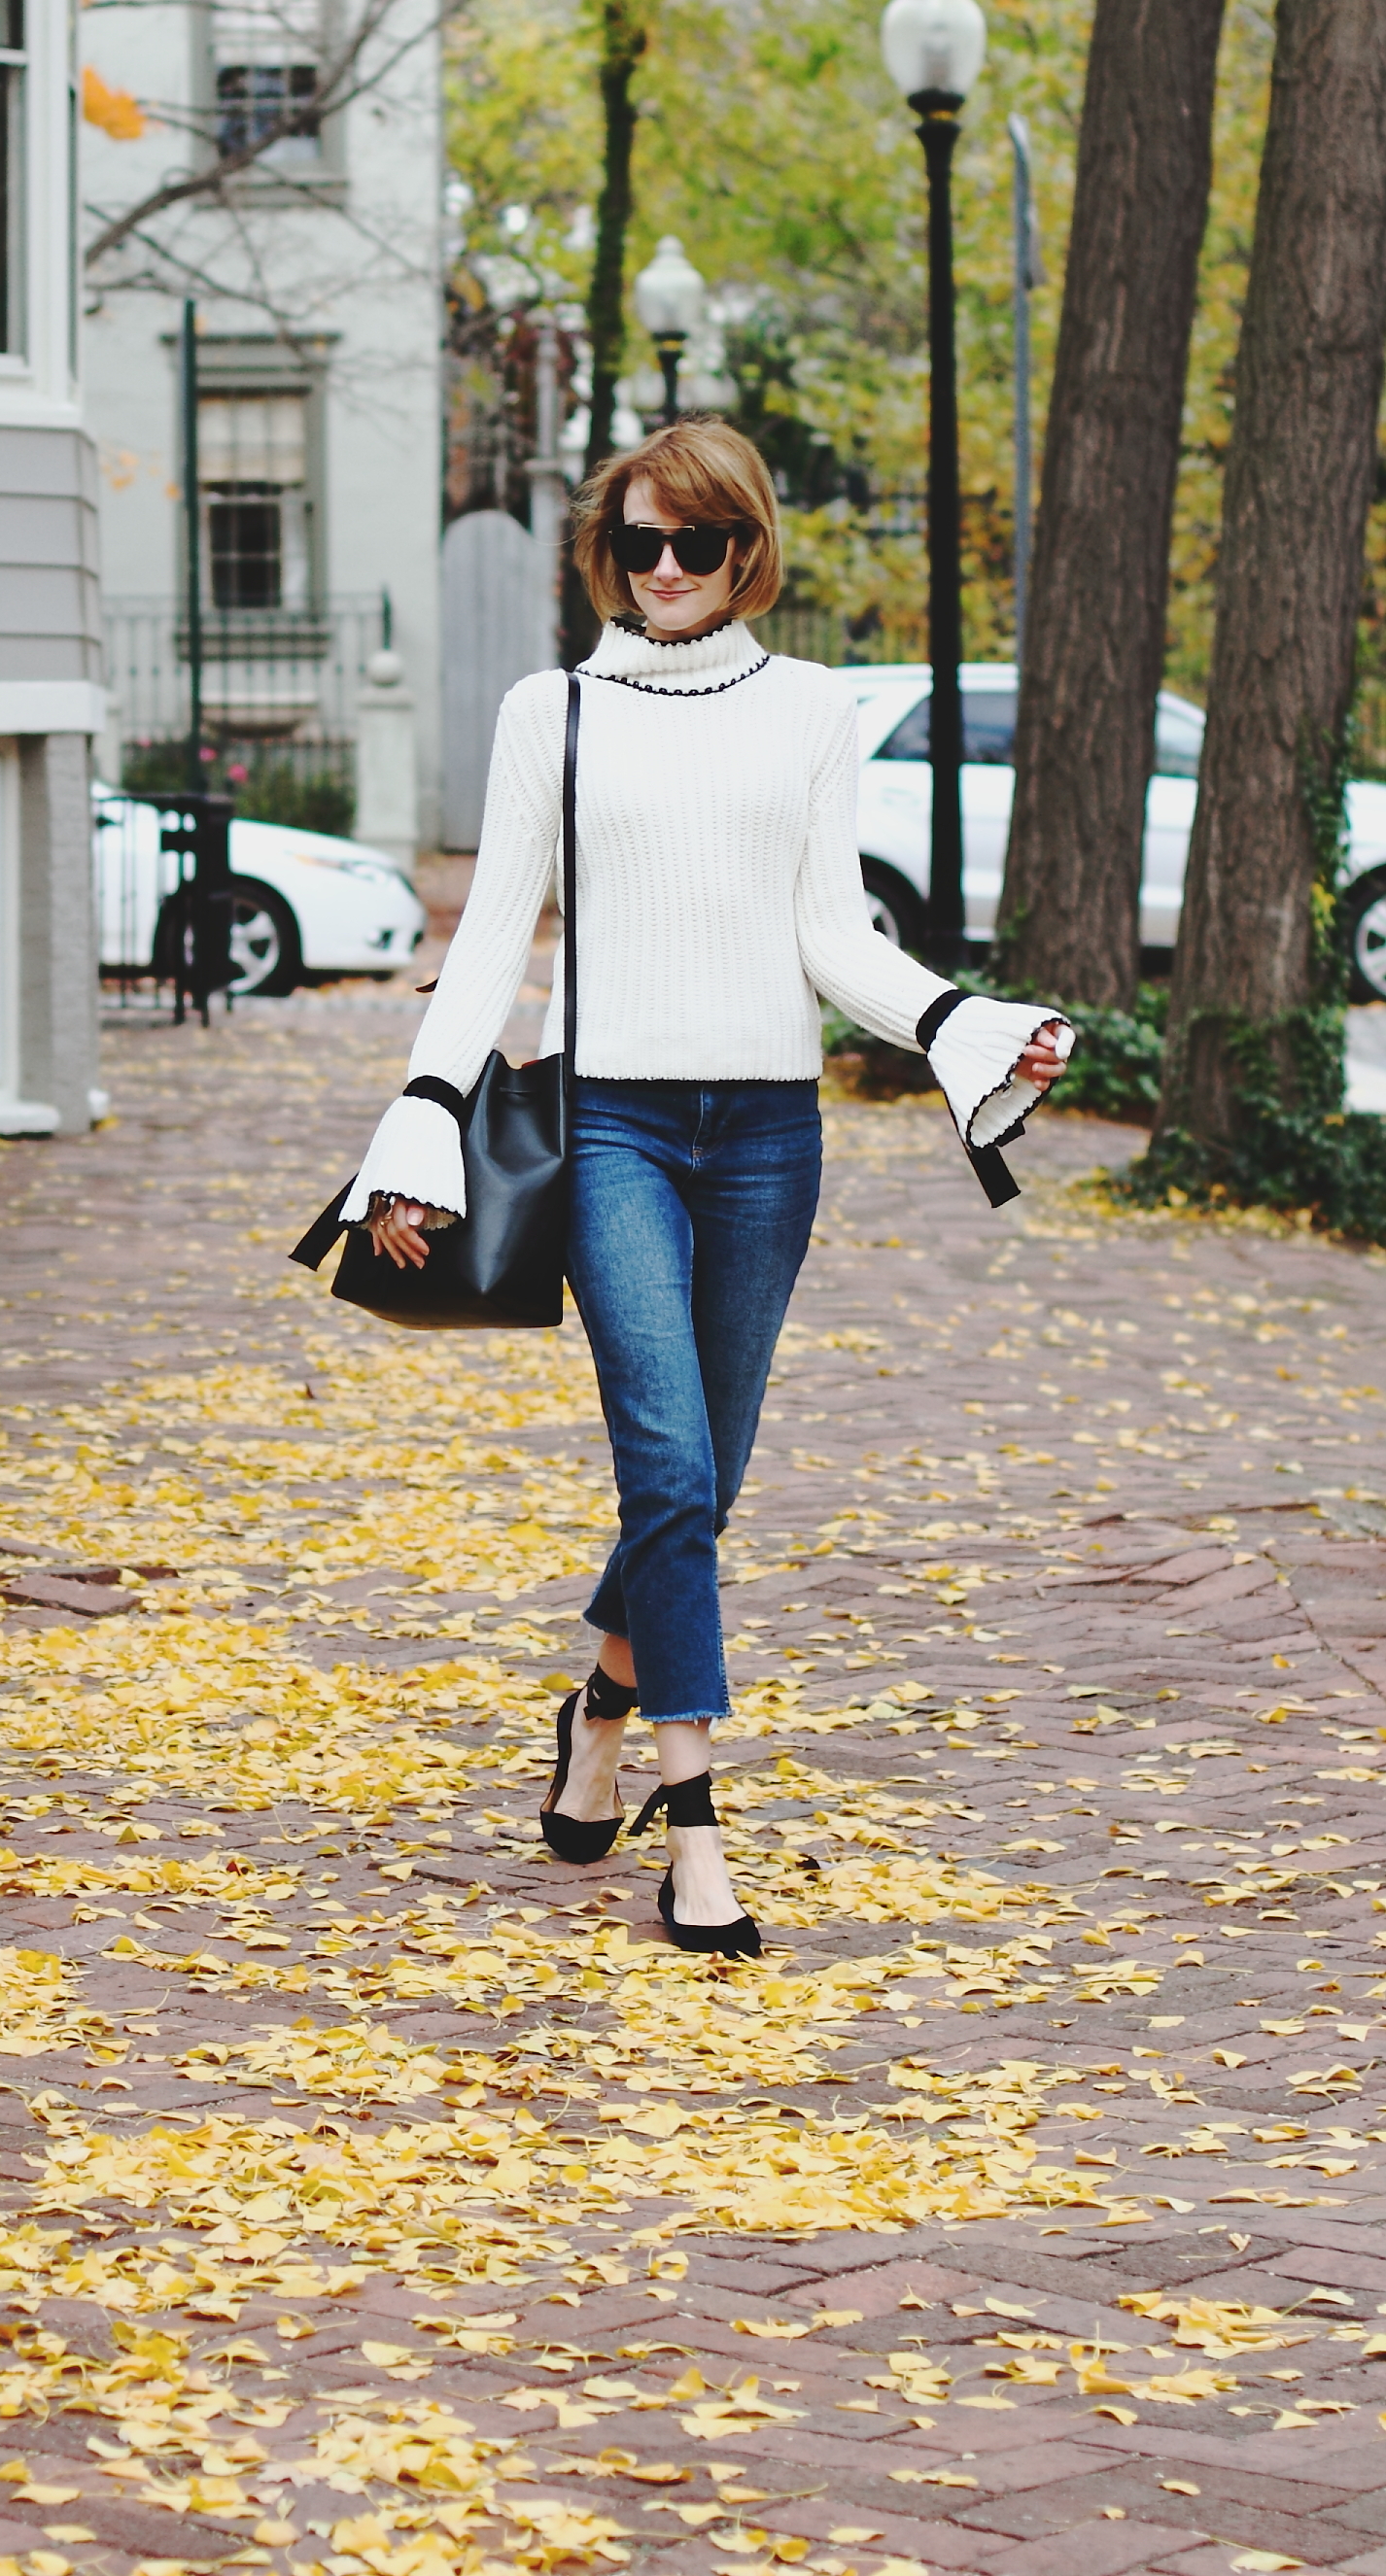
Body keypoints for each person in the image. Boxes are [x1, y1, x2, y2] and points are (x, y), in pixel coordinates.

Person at [344, 421, 1070, 1956]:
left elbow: (830, 933)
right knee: (667, 1468)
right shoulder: (553, 710)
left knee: (706, 1483)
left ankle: (595, 1712)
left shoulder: (809, 710)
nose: (663, 570)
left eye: (696, 543)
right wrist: (415, 1124)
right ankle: (696, 1827)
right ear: (606, 553)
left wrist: (961, 1024)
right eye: (636, 543)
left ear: (747, 553)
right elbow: (491, 941)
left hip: (764, 1135)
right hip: (609, 1126)